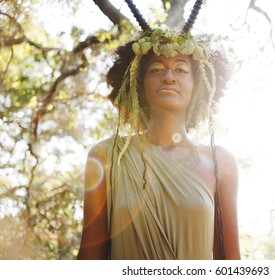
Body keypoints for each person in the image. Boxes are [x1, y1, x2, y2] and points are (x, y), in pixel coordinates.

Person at [77, 0, 240, 260]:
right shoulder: (107, 156)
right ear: (137, 84)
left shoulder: (221, 163)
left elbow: (231, 263)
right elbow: (89, 260)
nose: (168, 76)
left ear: (197, 85)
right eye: (156, 69)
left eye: (180, 69)